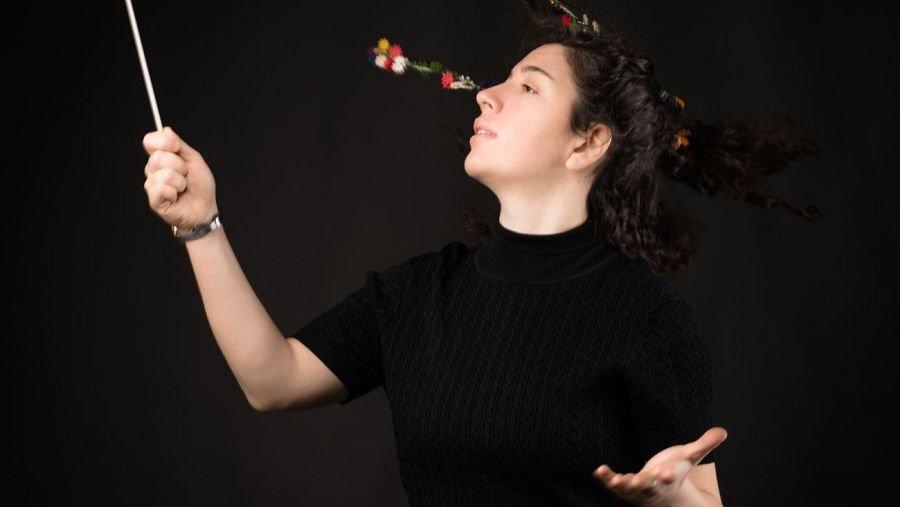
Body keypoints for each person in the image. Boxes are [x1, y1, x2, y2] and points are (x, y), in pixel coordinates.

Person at [140, 2, 820, 505]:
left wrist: (676, 503)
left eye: (527, 86)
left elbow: (703, 501)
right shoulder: (418, 295)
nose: (487, 95)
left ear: (587, 143)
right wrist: (201, 225)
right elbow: (273, 379)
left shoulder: (648, 319)